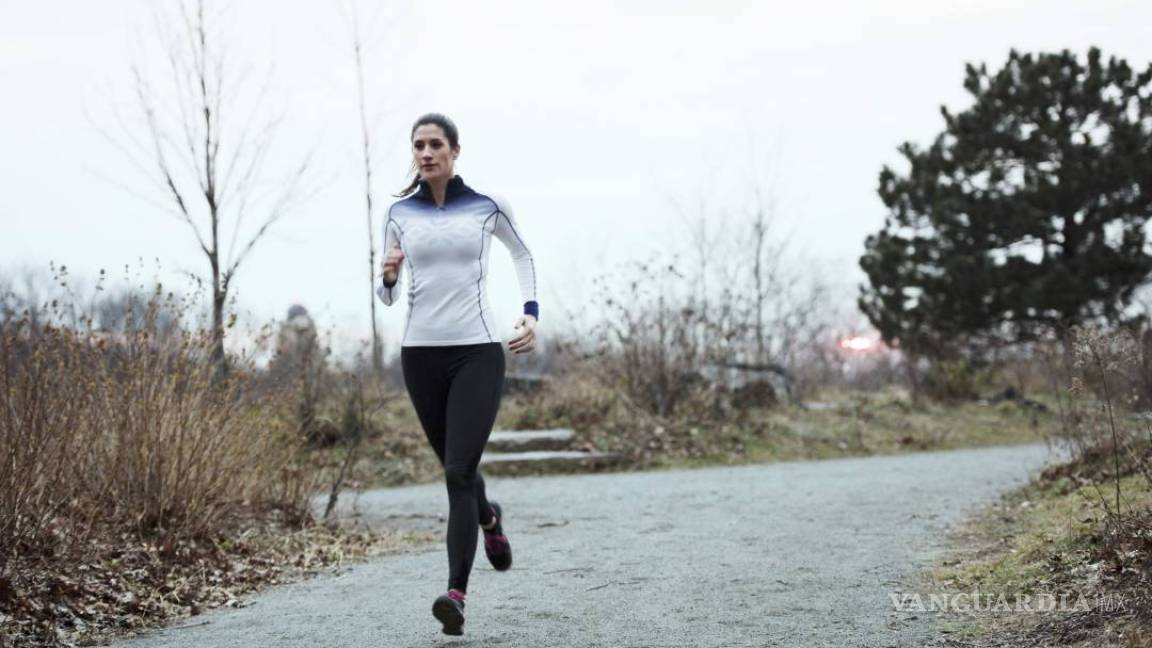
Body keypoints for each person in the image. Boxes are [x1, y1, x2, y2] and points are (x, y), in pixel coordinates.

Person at [377, 113, 539, 636]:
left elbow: (522, 255)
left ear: (454, 151)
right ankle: (489, 517)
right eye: (418, 146)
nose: (426, 153)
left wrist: (530, 314)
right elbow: (386, 294)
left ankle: (456, 596)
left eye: (435, 144)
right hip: (420, 355)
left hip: (477, 352)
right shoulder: (399, 213)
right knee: (457, 466)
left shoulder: (487, 206)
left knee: (456, 474)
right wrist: (387, 275)